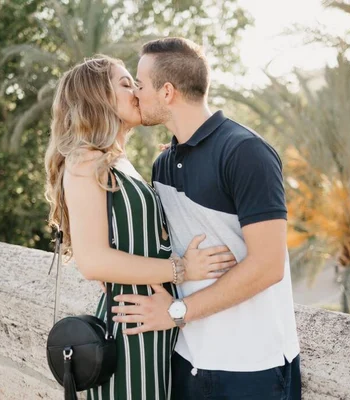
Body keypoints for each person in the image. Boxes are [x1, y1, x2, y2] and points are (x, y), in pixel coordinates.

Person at [112, 38, 302, 399]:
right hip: (188, 361)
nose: (135, 94)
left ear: (167, 92)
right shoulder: (163, 165)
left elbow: (268, 266)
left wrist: (177, 311)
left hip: (253, 368)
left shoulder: (245, 152)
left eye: (140, 84)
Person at [43, 55, 238, 400]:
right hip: (129, 330)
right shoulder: (85, 160)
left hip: (155, 326)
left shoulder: (117, 161)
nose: (135, 90)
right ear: (96, 97)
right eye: (124, 83)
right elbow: (92, 262)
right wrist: (181, 269)